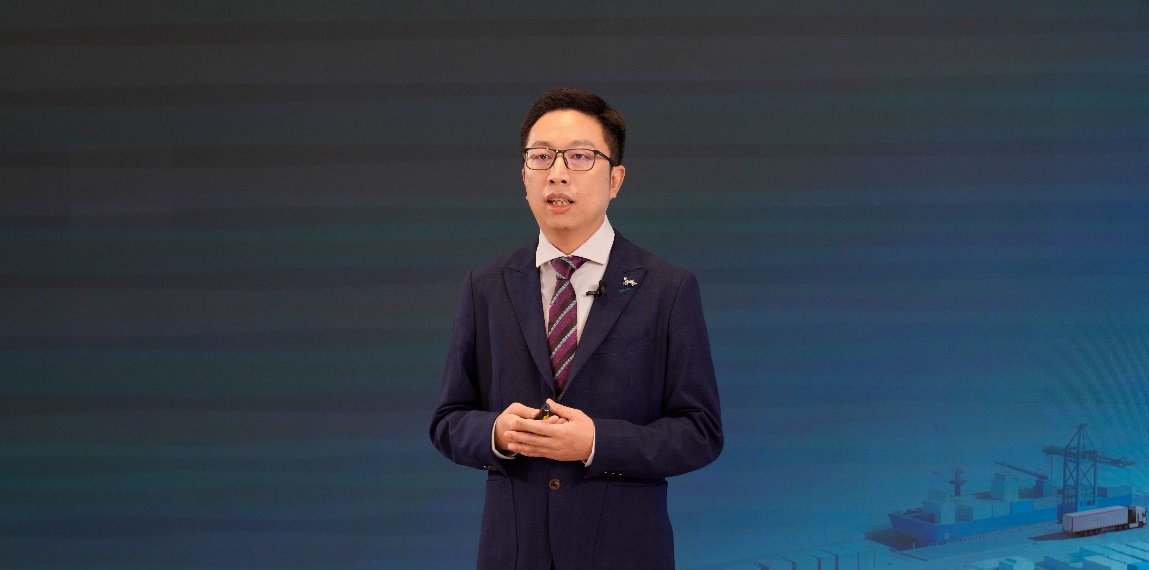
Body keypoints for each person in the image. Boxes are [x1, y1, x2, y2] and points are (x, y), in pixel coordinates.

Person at [429, 87, 723, 569]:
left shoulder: (667, 289)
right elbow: (448, 421)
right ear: (524, 176)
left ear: (615, 179)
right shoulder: (486, 286)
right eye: (541, 156)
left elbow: (700, 432)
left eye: (580, 157)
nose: (558, 173)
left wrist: (596, 443)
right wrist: (497, 433)